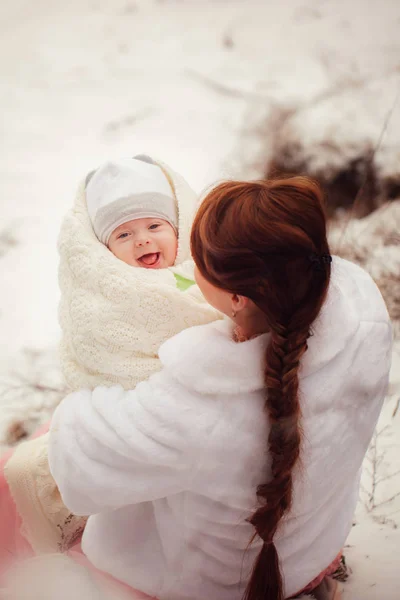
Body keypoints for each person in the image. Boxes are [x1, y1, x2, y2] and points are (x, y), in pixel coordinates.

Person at [45, 176, 392, 600]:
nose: (190, 266)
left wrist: (84, 393)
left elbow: (79, 468)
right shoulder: (362, 312)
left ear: (236, 300)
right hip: (311, 546)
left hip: (225, 580)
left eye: (200, 261)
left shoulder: (198, 406)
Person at [0, 156, 219, 563]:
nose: (142, 240)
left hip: (196, 412)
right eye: (124, 234)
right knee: (24, 472)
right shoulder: (108, 292)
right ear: (104, 250)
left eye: (155, 226)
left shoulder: (200, 275)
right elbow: (96, 344)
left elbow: (221, 319)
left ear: (179, 227)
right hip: (133, 410)